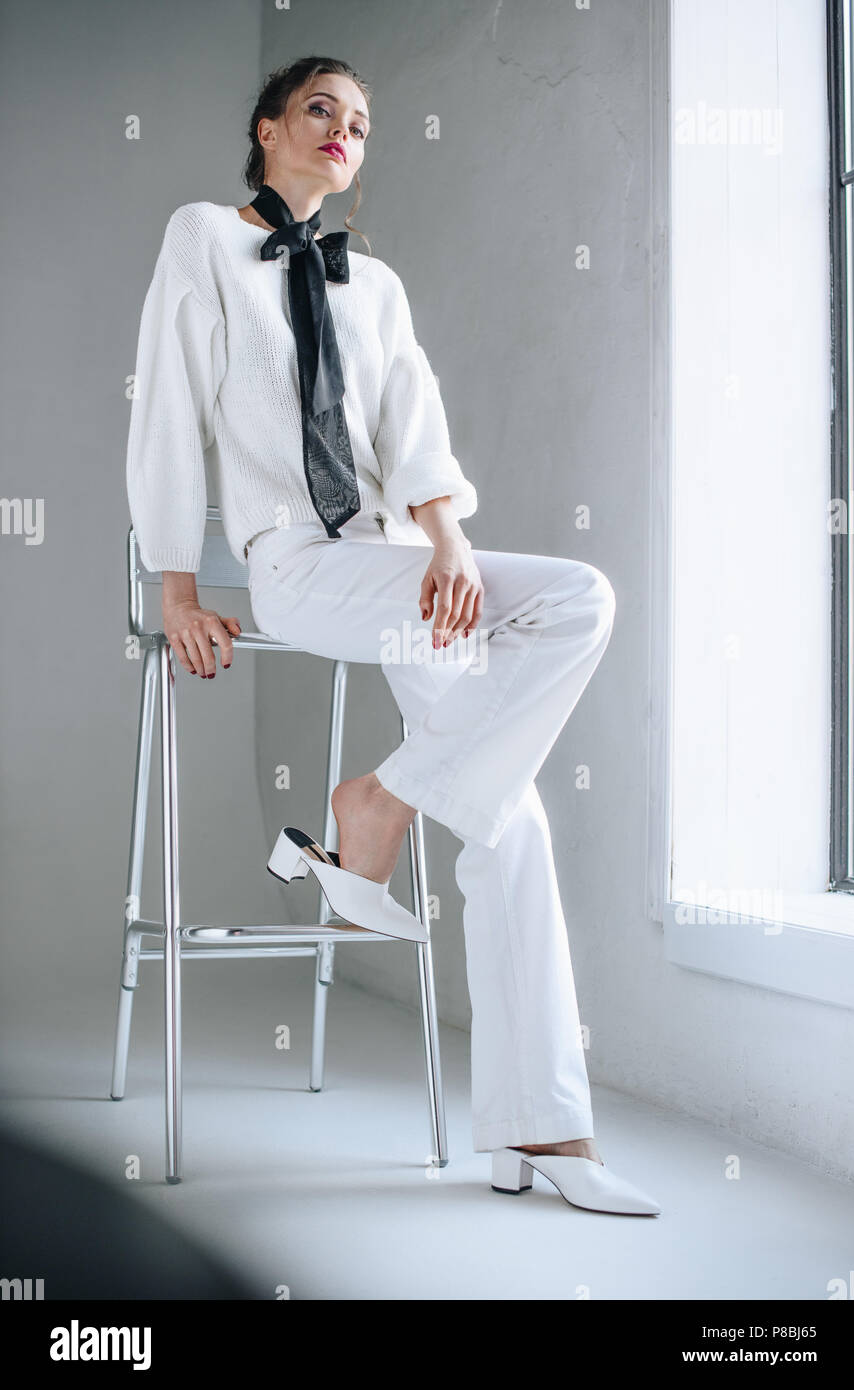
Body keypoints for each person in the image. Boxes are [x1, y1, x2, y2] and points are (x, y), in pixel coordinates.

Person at [125, 55, 660, 1217]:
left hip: (405, 568)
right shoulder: (204, 241)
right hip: (302, 571)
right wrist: (175, 585)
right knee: (500, 782)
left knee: (526, 751)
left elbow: (415, 430)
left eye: (362, 123)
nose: (342, 132)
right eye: (321, 109)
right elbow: (167, 410)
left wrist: (451, 545)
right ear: (267, 127)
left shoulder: (377, 286)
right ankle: (380, 815)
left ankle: (542, 1133)